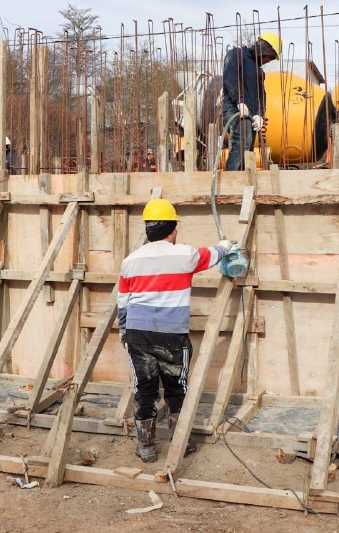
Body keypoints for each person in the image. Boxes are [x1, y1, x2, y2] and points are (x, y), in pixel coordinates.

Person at [117, 199, 231, 462]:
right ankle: (182, 443)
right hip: (172, 336)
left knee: (144, 389)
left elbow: (123, 301)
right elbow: (214, 254)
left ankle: (146, 447)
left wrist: (124, 329)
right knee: (177, 388)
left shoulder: (130, 261)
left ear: (148, 229)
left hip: (138, 333)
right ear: (173, 229)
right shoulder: (186, 255)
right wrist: (226, 245)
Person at [221, 33, 281, 171]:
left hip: (250, 113)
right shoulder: (236, 55)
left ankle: (241, 180)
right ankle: (231, 181)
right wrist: (240, 101)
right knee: (242, 142)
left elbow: (261, 95)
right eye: (269, 57)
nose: (268, 61)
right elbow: (230, 78)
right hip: (234, 108)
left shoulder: (259, 71)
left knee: (247, 148)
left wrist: (260, 114)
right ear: (263, 49)